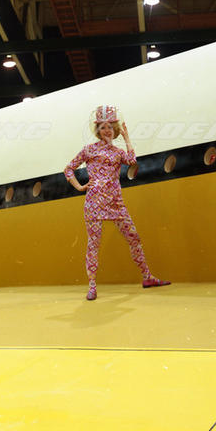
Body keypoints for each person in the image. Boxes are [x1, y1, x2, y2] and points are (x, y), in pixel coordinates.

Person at [64, 105, 170, 301]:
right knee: (94, 243)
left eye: (110, 127)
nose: (107, 131)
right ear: (98, 130)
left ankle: (147, 277)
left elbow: (131, 160)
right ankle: (92, 286)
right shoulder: (88, 150)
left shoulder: (118, 152)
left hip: (116, 202)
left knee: (134, 237)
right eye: (103, 127)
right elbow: (68, 169)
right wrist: (79, 187)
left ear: (115, 129)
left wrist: (127, 137)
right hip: (95, 202)